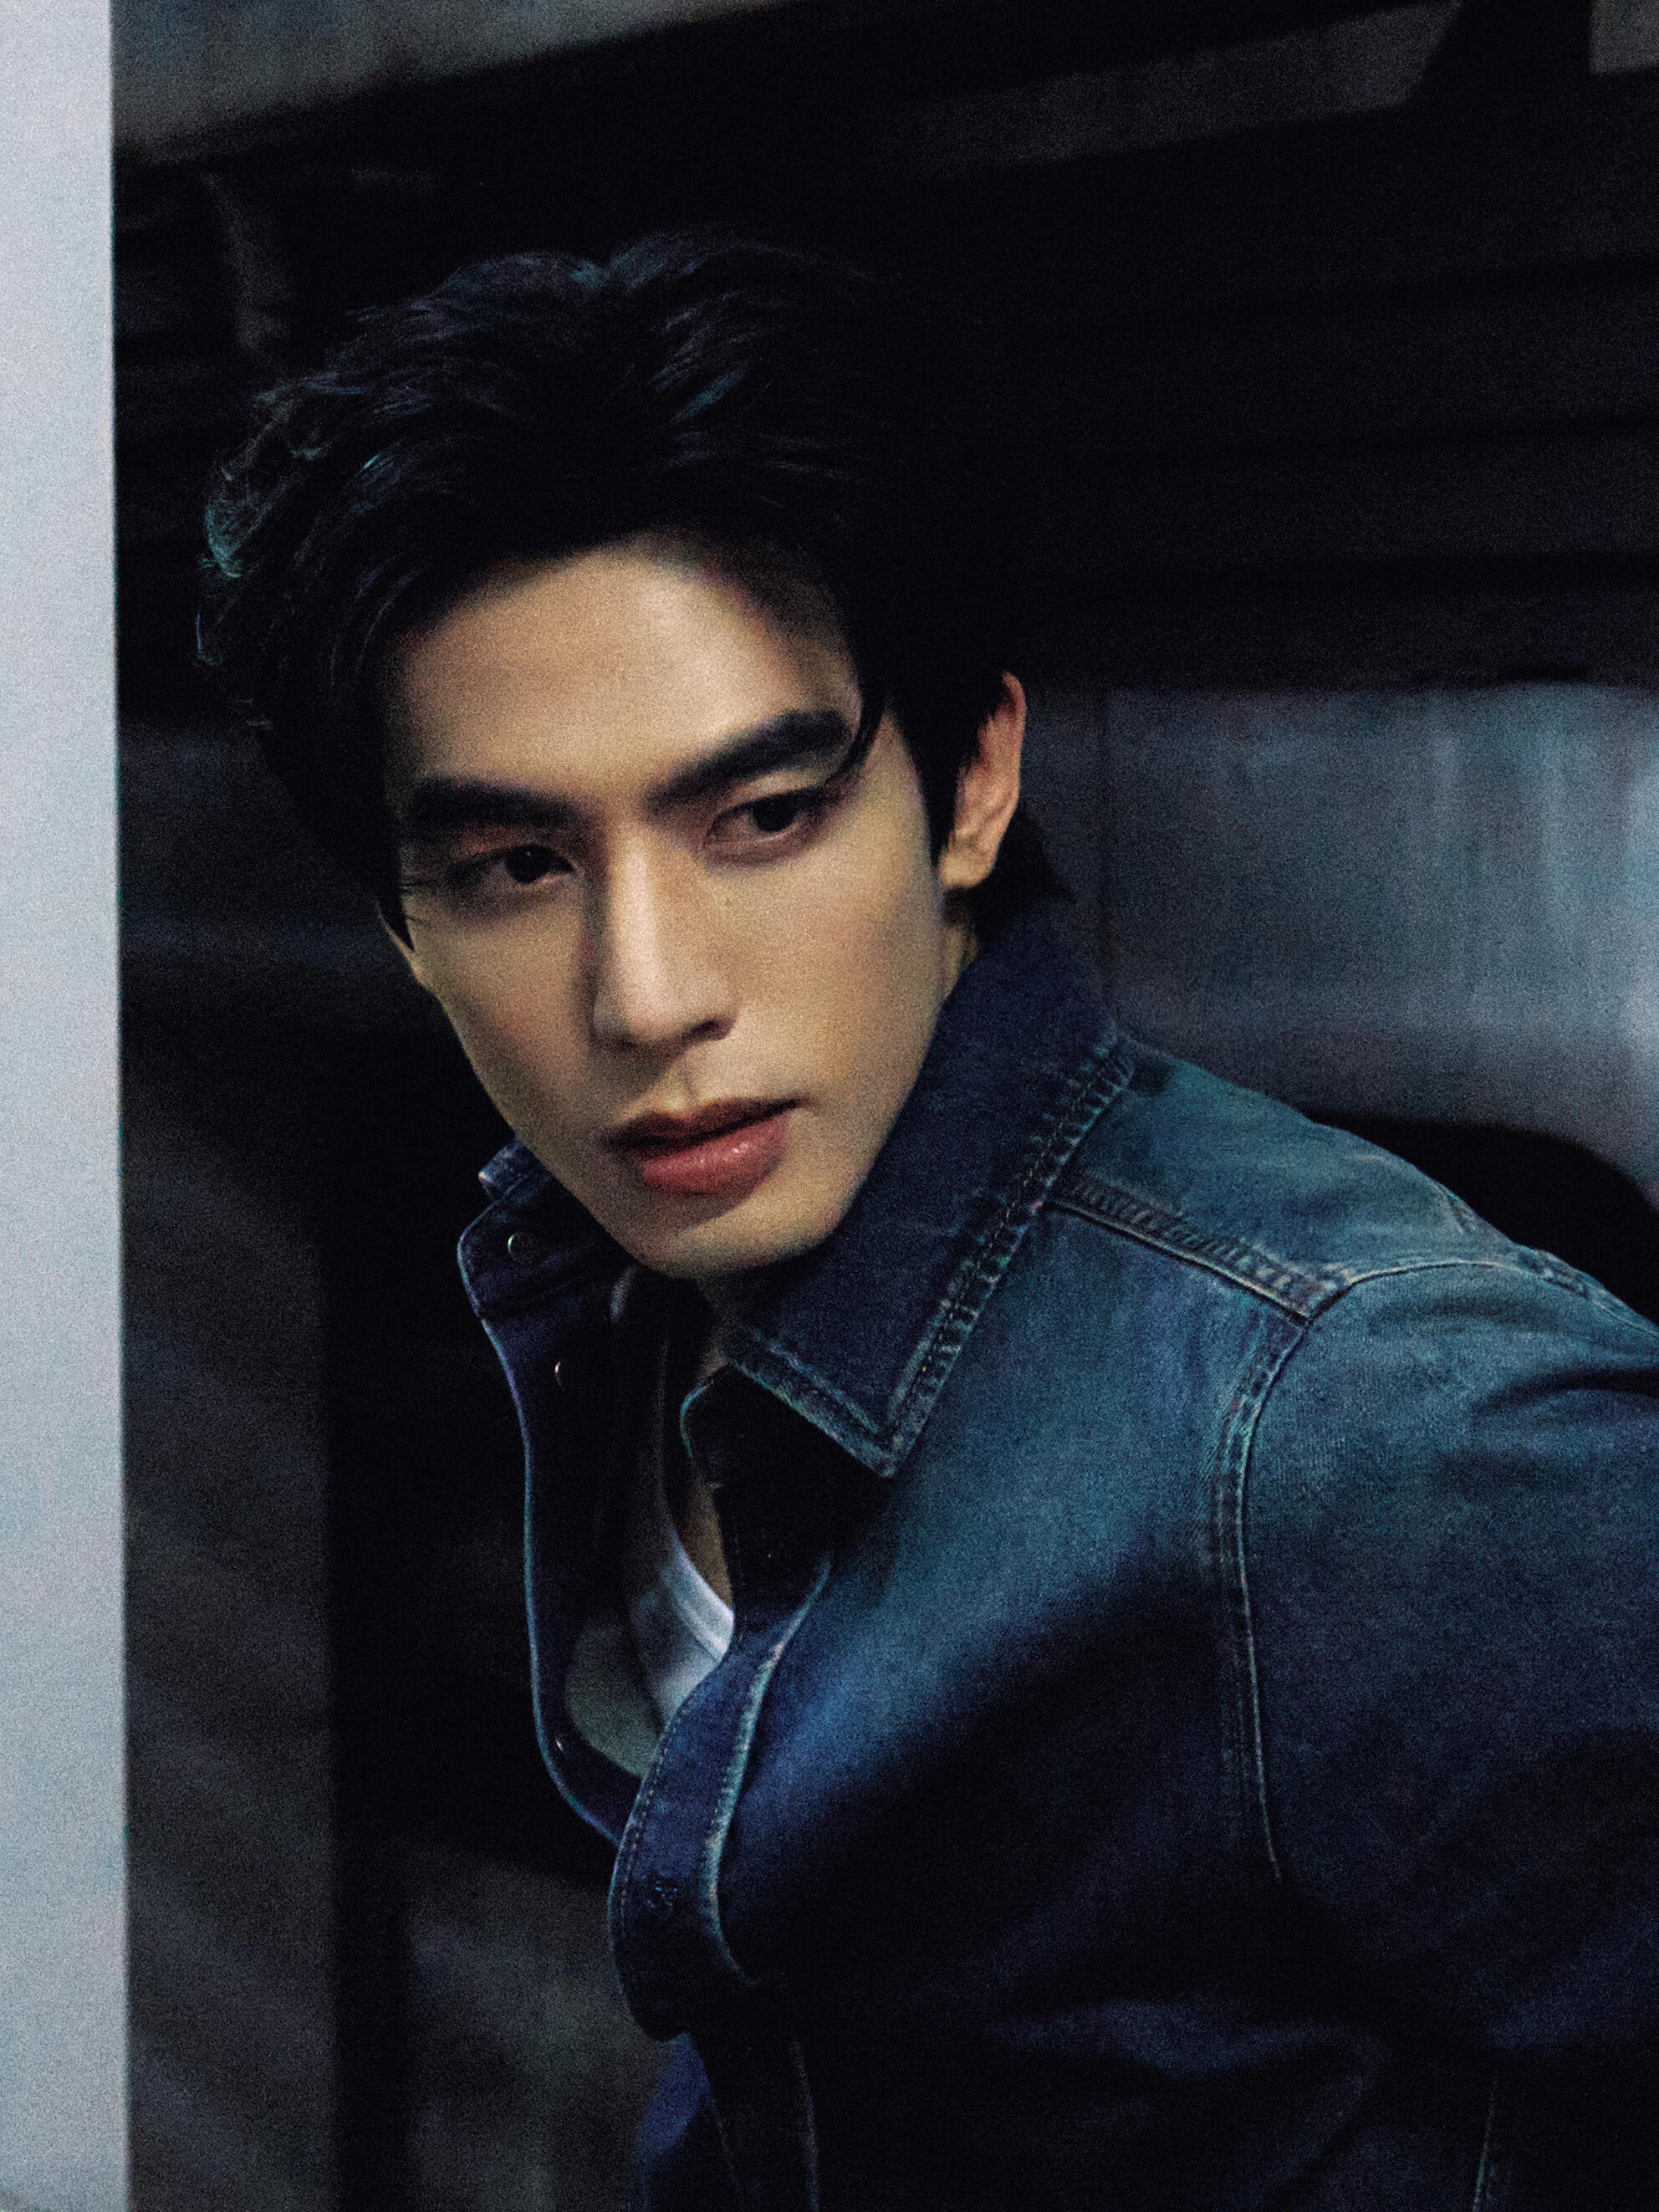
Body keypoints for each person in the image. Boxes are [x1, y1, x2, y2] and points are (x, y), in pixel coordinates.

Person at [202, 236, 1659, 2210]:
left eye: (761, 818)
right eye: (517, 865)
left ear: (969, 784)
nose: (647, 997)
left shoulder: (1362, 1431)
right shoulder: (613, 1295)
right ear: (402, 923)